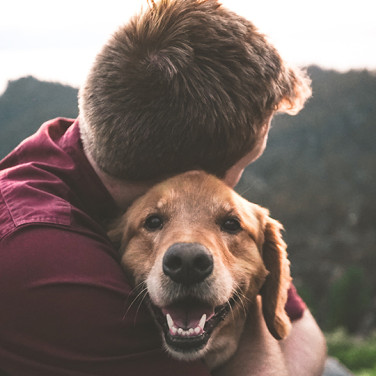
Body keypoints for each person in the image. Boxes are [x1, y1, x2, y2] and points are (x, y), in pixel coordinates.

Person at [0, 0, 326, 375]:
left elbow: (305, 332)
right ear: (193, 174)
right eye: (246, 163)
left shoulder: (98, 143)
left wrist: (247, 287)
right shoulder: (48, 261)